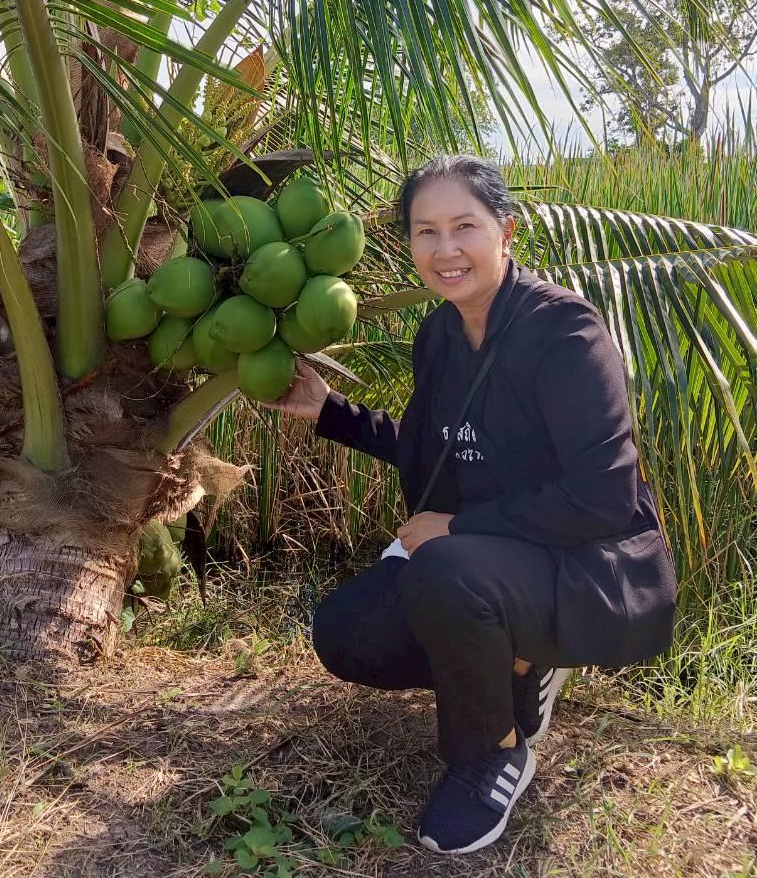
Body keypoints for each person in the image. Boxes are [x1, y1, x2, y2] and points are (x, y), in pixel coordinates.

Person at [261, 154, 677, 855]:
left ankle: (493, 752)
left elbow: (604, 494)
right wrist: (328, 412)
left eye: (464, 227)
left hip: (591, 565)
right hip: (495, 563)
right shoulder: (441, 336)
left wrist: (457, 526)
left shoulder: (564, 332)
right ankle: (520, 661)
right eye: (425, 232)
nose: (445, 249)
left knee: (444, 570)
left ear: (504, 232)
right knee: (347, 631)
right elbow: (436, 449)